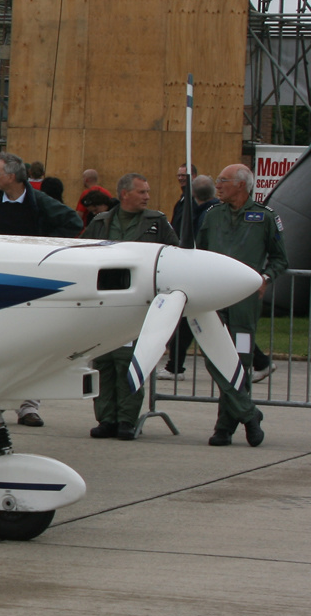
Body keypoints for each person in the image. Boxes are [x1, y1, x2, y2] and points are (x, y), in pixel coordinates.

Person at [0, 152, 82, 426]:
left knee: (32, 344)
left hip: (31, 284)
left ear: (12, 177)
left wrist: (42, 245)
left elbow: (72, 222)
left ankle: (29, 406)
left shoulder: (39, 202)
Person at [80, 173, 178, 440]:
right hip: (105, 303)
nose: (147, 196)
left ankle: (127, 419)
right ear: (125, 194)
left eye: (147, 191)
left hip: (137, 303)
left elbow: (173, 254)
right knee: (104, 362)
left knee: (129, 362)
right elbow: (82, 254)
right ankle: (105, 418)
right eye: (142, 192)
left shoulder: (156, 223)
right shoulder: (101, 223)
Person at [195, 164, 287, 447]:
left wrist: (266, 278)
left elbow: (280, 259)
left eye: (223, 181)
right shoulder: (212, 216)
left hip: (245, 304)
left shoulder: (266, 217)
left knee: (241, 361)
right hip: (215, 300)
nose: (217, 185)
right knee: (215, 358)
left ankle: (225, 428)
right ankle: (249, 414)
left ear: (241, 185)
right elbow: (200, 253)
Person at [162, 175, 219, 379]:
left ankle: (174, 366)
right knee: (189, 320)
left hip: (200, 273)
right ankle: (174, 365)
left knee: (190, 319)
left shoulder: (205, 214)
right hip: (203, 273)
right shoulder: (208, 211)